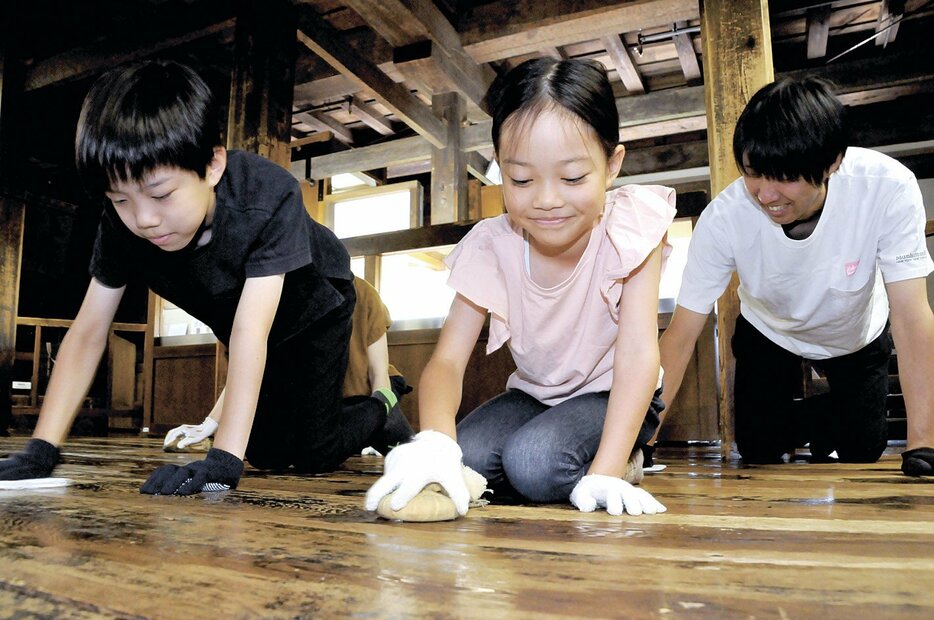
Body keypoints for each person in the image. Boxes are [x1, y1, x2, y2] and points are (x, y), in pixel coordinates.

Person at [0, 60, 409, 493]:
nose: (144, 219)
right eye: (120, 199)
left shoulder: (267, 197)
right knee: (268, 453)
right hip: (247, 316)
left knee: (311, 452)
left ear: (212, 166)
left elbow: (251, 333)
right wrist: (40, 451)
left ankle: (385, 402)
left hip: (318, 305)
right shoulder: (122, 225)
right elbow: (88, 330)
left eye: (161, 194)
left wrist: (222, 467)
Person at [366, 58, 676, 518]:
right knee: (466, 456)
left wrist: (606, 472)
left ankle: (627, 456)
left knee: (535, 464)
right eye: (522, 179)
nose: (546, 199)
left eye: (572, 178)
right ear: (501, 171)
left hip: (615, 393)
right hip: (535, 396)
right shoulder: (495, 245)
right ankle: (557, 455)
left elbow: (637, 356)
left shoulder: (630, 227)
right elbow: (447, 362)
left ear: (612, 166)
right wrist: (435, 445)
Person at [654, 76, 934, 474]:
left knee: (864, 449)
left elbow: (911, 317)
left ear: (832, 161)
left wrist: (924, 444)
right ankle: (810, 422)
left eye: (784, 176)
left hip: (856, 332)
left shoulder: (886, 188)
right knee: (757, 450)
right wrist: (641, 441)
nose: (766, 195)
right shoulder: (724, 217)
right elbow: (681, 335)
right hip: (770, 331)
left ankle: (827, 420)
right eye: (754, 173)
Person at [162, 276, 413, 454]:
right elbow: (247, 368)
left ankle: (388, 438)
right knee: (269, 452)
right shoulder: (276, 297)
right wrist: (211, 423)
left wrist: (378, 412)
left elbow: (379, 373)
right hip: (318, 397)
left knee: (396, 445)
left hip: (366, 394)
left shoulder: (363, 292)